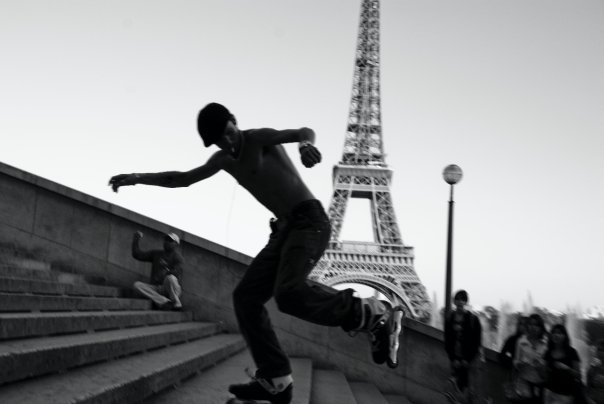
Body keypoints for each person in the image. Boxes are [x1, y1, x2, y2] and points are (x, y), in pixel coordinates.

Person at [108, 102, 404, 404]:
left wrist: (304, 145)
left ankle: (372, 313)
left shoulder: (258, 139)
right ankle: (276, 377)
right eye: (219, 140)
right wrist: (136, 177)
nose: (228, 142)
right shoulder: (223, 159)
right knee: (246, 299)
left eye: (228, 133)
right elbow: (182, 178)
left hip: (309, 220)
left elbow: (302, 130)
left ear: (234, 122)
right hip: (286, 230)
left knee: (288, 293)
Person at [444, 290, 483, 404]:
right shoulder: (450, 319)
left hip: (469, 362)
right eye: (458, 299)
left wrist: (467, 359)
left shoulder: (473, 319)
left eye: (463, 299)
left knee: (470, 391)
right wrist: (453, 359)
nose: (460, 302)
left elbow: (477, 342)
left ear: (466, 302)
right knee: (455, 390)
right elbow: (447, 341)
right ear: (454, 301)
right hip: (455, 360)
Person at [131, 231, 184, 311]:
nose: (166, 242)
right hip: (157, 288)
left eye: (170, 240)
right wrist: (136, 239)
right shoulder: (156, 253)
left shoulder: (178, 257)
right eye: (165, 239)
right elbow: (137, 255)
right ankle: (165, 302)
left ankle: (176, 303)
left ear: (176, 244)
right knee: (137, 285)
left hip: (171, 289)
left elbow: (177, 272)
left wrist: (166, 269)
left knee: (171, 278)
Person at [543, 324, 582, 404]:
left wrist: (567, 368)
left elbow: (578, 375)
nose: (556, 335)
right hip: (549, 391)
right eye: (553, 332)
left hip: (565, 394)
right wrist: (540, 367)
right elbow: (544, 375)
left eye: (559, 333)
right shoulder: (548, 352)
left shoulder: (572, 352)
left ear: (565, 336)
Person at [513, 313, 548, 403]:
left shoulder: (545, 343)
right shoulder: (521, 341)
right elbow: (516, 360)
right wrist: (519, 364)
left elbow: (548, 365)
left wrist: (541, 364)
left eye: (536, 325)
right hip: (524, 383)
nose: (533, 327)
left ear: (541, 327)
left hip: (540, 384)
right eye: (530, 324)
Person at [586, 339, 604, 404]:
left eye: (603, 350)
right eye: (599, 350)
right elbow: (587, 390)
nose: (601, 353)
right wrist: (589, 400)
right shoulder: (592, 368)